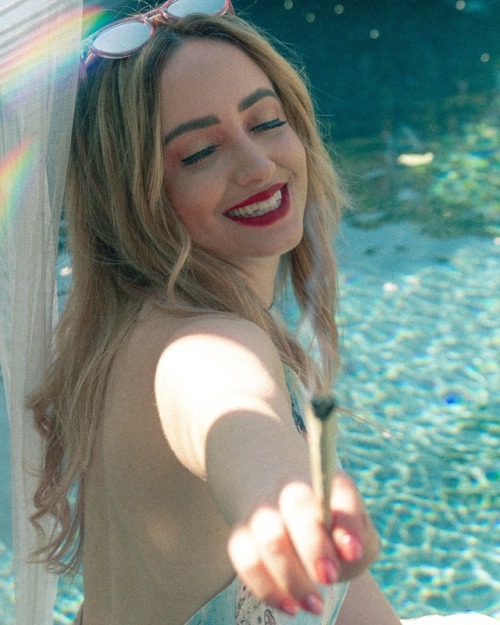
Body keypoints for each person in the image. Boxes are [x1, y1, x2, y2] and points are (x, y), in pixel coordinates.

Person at [28, 3, 401, 624]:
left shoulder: (124, 335)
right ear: (133, 191)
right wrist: (274, 497)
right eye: (199, 153)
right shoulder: (202, 343)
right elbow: (228, 405)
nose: (257, 165)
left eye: (266, 121)